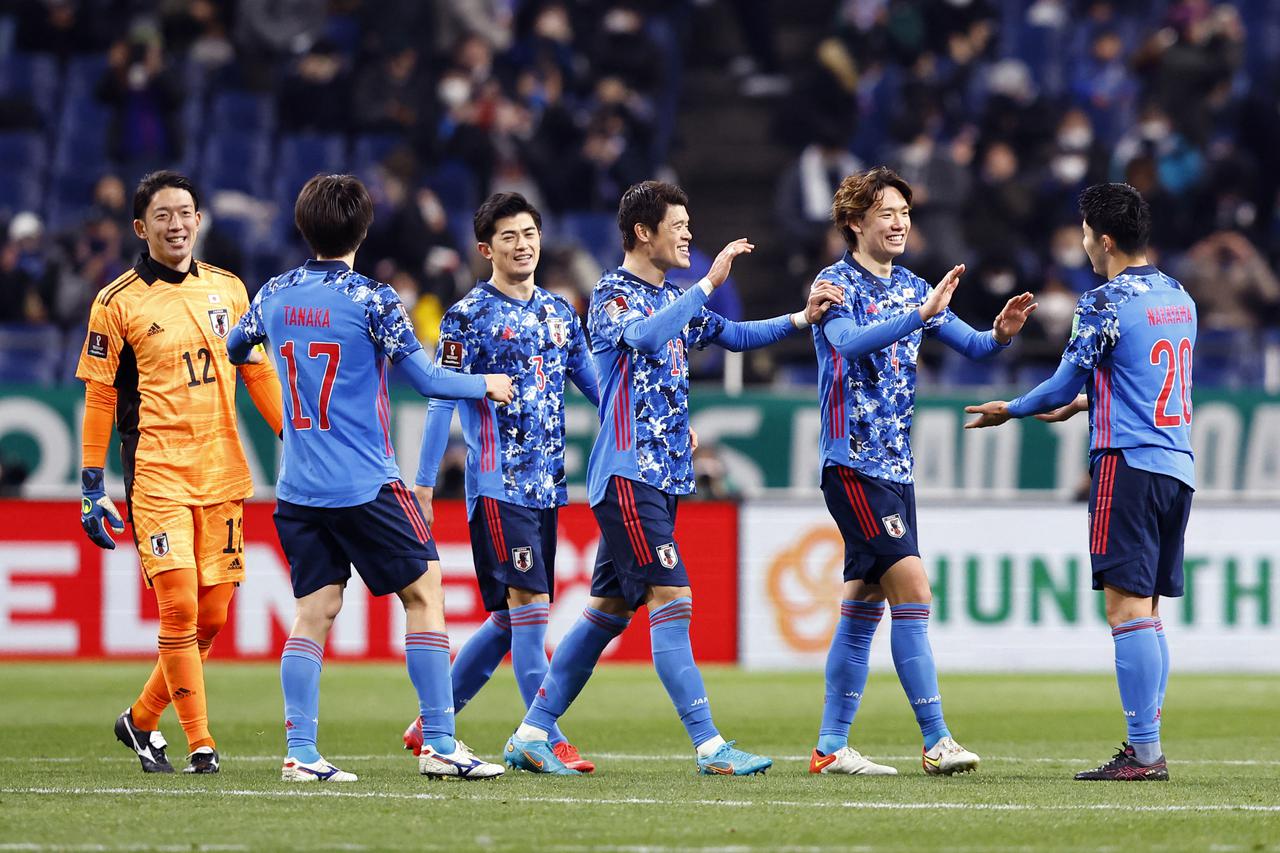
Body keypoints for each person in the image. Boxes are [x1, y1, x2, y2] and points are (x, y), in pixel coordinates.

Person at [503, 179, 844, 776]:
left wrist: (800, 316)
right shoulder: (613, 293)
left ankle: (531, 733)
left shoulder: (674, 297)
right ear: (643, 232)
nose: (689, 235)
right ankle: (710, 746)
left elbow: (734, 335)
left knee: (606, 613)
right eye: (678, 226)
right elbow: (645, 337)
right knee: (674, 599)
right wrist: (708, 284)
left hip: (662, 478)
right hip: (628, 476)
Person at [226, 174, 515, 783]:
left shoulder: (275, 292)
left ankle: (300, 752)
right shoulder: (372, 299)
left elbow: (234, 345)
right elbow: (429, 380)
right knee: (425, 593)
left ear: (303, 227)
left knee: (314, 610)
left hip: (298, 486)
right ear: (363, 229)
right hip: (364, 482)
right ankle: (440, 743)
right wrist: (484, 383)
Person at [808, 166, 1037, 777]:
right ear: (854, 221)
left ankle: (830, 747)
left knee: (863, 605)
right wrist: (920, 314)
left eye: (905, 213)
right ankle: (937, 740)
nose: (899, 223)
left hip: (896, 469)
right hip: (852, 462)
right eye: (886, 213)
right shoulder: (833, 285)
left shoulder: (914, 287)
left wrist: (1001, 334)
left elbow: (974, 346)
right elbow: (849, 343)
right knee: (913, 590)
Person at [965, 182, 1194, 782]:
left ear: (1106, 240)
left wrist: (1011, 408)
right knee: (1147, 612)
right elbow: (1148, 382)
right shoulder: (1178, 297)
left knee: (1125, 611)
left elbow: (1061, 383)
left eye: (1087, 234)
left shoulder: (1104, 302)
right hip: (1176, 467)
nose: (1084, 244)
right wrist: (1090, 403)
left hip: (1127, 465)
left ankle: (1144, 754)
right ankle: (1147, 746)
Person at [76, 170, 284, 774]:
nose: (176, 225)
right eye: (162, 215)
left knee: (213, 615)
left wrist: (292, 435)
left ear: (199, 219)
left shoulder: (230, 289)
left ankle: (141, 719)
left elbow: (257, 371)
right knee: (179, 608)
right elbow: (100, 397)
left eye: (185, 213)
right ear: (140, 228)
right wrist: (91, 485)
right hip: (156, 473)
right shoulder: (116, 302)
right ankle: (201, 743)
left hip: (222, 471)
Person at [400, 192, 600, 773]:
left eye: (529, 233)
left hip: (548, 487)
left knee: (511, 620)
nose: (523, 245)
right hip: (497, 485)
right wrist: (423, 483)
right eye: (509, 236)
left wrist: (645, 427)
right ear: (486, 249)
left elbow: (596, 385)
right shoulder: (468, 316)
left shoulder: (560, 312)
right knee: (531, 610)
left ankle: (431, 722)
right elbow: (441, 397)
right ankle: (543, 735)